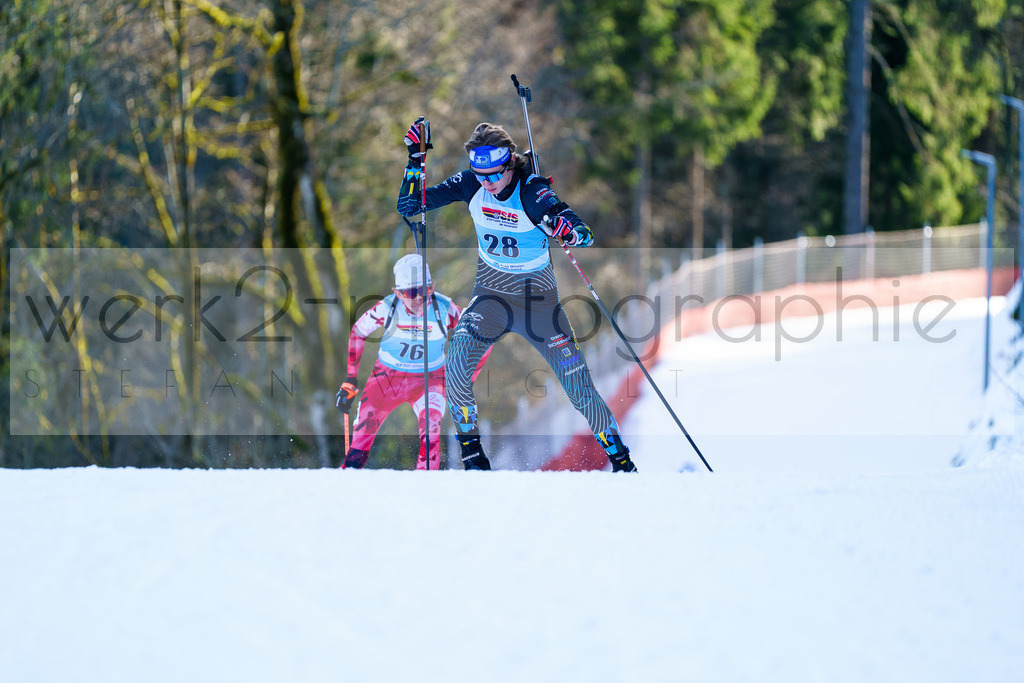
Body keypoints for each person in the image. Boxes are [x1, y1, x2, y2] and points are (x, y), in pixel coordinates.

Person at [395, 120, 637, 472]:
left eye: (494, 175)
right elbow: (409, 206)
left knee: (578, 387)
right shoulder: (470, 184)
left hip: (539, 305)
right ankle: (473, 458)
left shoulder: (532, 190)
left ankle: (621, 460)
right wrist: (414, 160)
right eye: (481, 176)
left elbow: (573, 224)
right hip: (491, 298)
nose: (488, 184)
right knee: (457, 356)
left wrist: (571, 230)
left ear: (510, 165)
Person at [336, 254, 489, 470]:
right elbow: (358, 332)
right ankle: (345, 487)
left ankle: (425, 490)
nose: (418, 298)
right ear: (397, 293)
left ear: (432, 286)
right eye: (410, 292)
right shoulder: (387, 308)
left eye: (425, 290)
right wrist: (351, 378)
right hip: (386, 378)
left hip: (430, 379)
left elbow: (482, 338)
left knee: (432, 430)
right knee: (361, 439)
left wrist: (466, 380)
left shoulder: (444, 308)